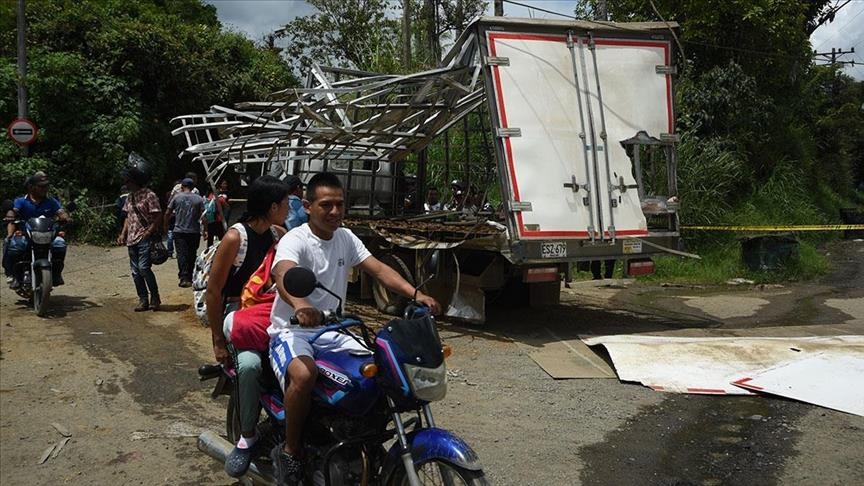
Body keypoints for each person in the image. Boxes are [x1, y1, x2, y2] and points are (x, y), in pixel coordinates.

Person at [267, 172, 441, 485]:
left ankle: (363, 444)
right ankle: (291, 452)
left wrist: (417, 294)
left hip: (335, 330)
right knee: (304, 375)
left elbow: (379, 269)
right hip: (293, 333)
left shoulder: (346, 237)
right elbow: (283, 274)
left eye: (340, 205)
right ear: (307, 206)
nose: (335, 212)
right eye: (326, 205)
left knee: (381, 371)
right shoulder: (296, 239)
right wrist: (301, 305)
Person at [206, 175, 289, 478]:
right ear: (271, 207)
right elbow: (213, 291)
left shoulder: (280, 235)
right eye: (285, 203)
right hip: (237, 313)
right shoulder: (234, 238)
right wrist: (217, 339)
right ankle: (246, 438)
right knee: (251, 366)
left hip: (272, 312)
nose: (289, 209)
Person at [4, 172, 71, 288]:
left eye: (46, 186)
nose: (45, 189)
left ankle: (56, 273)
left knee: (60, 244)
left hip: (47, 235)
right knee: (14, 245)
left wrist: (66, 216)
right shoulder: (21, 201)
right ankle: (14, 275)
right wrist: (10, 214)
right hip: (26, 235)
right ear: (31, 187)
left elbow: (60, 211)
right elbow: (14, 211)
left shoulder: (51, 201)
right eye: (41, 186)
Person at [117, 166, 162, 311]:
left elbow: (157, 216)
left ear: (134, 181)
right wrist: (123, 234)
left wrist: (149, 231)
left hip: (144, 237)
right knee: (135, 272)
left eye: (128, 181)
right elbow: (128, 218)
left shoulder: (150, 195)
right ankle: (143, 299)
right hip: (131, 239)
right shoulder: (129, 197)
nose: (126, 184)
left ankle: (155, 297)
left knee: (144, 268)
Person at [164, 178, 205, 288]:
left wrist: (165, 225)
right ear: (192, 187)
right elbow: (203, 216)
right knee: (192, 254)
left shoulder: (176, 197)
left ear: (182, 187)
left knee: (181, 254)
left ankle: (183, 277)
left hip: (179, 230)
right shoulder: (199, 199)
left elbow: (168, 212)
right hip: (194, 231)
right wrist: (205, 230)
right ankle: (190, 276)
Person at [166, 172, 200, 258]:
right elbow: (199, 208)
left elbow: (170, 202)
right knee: (191, 252)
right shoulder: (196, 191)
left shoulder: (176, 189)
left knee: (171, 234)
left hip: (176, 218)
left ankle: (172, 252)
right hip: (192, 225)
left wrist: (165, 224)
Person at [203, 182, 229, 250]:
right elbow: (227, 207)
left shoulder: (206, 197)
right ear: (216, 189)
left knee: (210, 239)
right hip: (218, 221)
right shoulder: (219, 198)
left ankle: (208, 253)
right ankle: (221, 252)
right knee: (221, 238)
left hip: (210, 221)